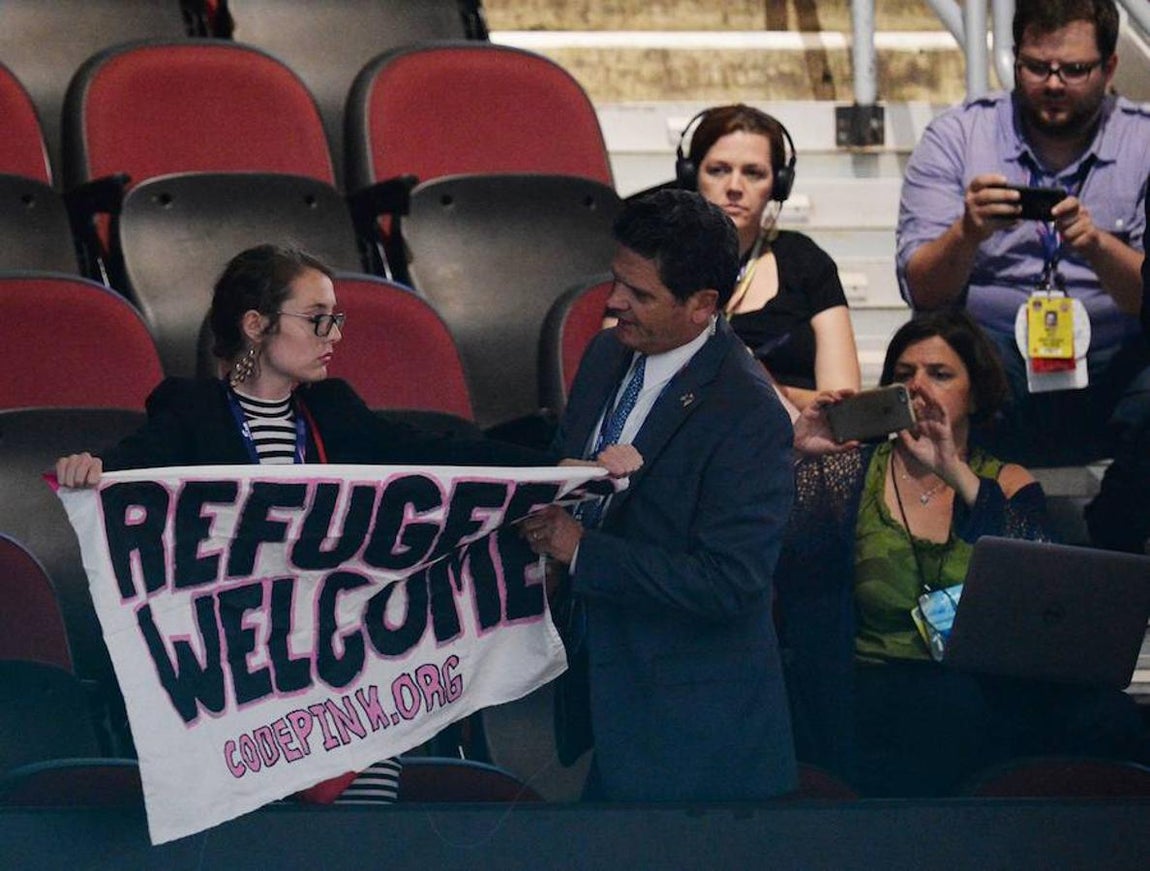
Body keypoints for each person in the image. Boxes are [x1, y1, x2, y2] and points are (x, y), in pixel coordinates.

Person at [55, 243, 639, 803]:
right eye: (316, 320)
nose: (332, 337)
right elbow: (129, 473)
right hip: (240, 676)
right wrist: (90, 469)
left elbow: (437, 456)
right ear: (256, 324)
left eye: (336, 321)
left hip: (341, 673)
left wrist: (558, 470)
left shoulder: (334, 408)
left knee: (359, 835)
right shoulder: (189, 410)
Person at [779, 309, 1145, 796]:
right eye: (904, 375)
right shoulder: (847, 473)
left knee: (1113, 717)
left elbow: (1050, 592)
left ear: (975, 393)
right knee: (948, 710)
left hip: (985, 684)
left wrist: (955, 471)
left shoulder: (1004, 481)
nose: (919, 387)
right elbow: (768, 547)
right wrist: (796, 453)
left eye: (941, 374)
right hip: (876, 682)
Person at [520, 189, 797, 801]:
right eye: (618, 281)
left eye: (640, 294)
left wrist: (582, 551)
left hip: (697, 745)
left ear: (703, 306)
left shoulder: (747, 412)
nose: (615, 303)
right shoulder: (605, 353)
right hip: (609, 704)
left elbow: (730, 581)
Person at [896, 0, 1150, 554]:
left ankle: (1119, 537)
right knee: (940, 356)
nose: (1054, 83)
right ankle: (971, 552)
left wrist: (1099, 247)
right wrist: (966, 231)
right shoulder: (959, 136)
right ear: (1015, 61)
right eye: (1037, 66)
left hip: (1117, 361)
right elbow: (923, 290)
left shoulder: (1144, 141)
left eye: (1074, 70)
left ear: (1110, 68)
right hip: (995, 361)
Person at [680, 103, 860, 411]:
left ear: (778, 185)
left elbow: (843, 402)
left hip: (793, 445)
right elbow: (619, 373)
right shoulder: (654, 259)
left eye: (753, 173)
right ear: (691, 175)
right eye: (718, 170)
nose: (734, 187)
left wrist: (757, 385)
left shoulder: (806, 262)